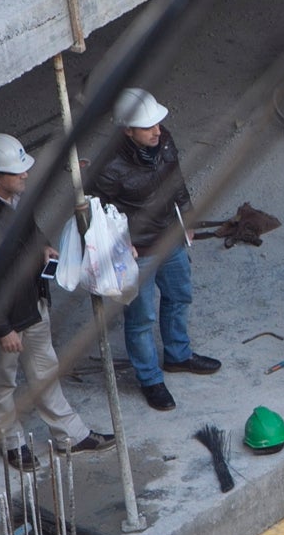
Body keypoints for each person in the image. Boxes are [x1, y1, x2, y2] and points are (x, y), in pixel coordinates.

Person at [0, 133, 115, 469]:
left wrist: (42, 246)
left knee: (45, 371)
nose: (25, 175)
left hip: (33, 304)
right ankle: (12, 443)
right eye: (17, 172)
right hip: (8, 320)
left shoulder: (12, 199)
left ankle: (69, 435)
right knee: (2, 383)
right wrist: (2, 329)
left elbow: (29, 229)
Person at [91, 88, 220, 412]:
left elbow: (175, 180)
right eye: (148, 127)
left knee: (179, 296)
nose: (157, 131)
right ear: (127, 131)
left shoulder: (163, 141)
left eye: (157, 124)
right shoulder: (108, 167)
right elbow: (99, 212)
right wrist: (120, 246)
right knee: (141, 317)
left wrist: (187, 217)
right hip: (139, 249)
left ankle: (178, 356)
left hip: (169, 237)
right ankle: (150, 379)